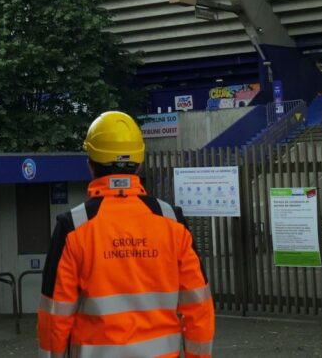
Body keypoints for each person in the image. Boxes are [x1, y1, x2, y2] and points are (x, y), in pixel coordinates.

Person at [37, 111, 215, 358]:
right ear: (139, 163)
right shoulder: (172, 221)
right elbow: (199, 308)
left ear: (90, 164)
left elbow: (55, 316)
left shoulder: (73, 227)